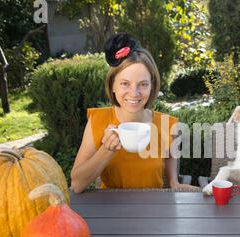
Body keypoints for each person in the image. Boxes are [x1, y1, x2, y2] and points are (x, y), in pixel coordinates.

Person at [71, 33, 195, 193]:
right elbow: (76, 184)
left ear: (152, 87)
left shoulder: (167, 124)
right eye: (125, 84)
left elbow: (170, 157)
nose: (134, 93)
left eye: (143, 84)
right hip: (110, 211)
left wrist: (173, 181)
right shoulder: (98, 121)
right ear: (113, 86)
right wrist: (106, 150)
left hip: (153, 210)